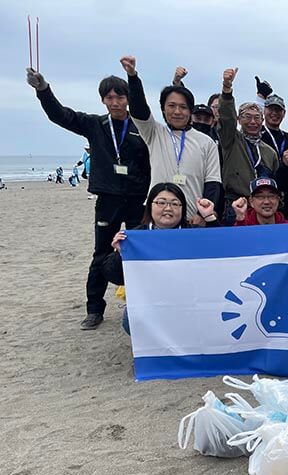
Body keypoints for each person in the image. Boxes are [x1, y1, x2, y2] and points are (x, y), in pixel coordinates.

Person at [26, 66, 150, 330]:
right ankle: (94, 309)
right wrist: (43, 90)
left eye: (120, 97)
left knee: (141, 252)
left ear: (127, 98)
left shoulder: (142, 127)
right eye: (109, 98)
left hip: (138, 199)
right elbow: (61, 116)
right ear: (103, 100)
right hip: (108, 199)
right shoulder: (95, 124)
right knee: (101, 254)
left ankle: (143, 302)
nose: (115, 102)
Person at [103, 182, 218, 334]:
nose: (168, 208)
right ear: (150, 206)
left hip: (191, 299)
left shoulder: (193, 234)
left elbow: (219, 246)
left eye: (175, 204)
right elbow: (114, 276)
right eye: (161, 203)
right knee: (130, 322)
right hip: (152, 302)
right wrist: (120, 253)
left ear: (182, 209)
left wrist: (209, 217)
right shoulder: (137, 237)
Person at [120, 55, 222, 223]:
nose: (177, 112)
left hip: (192, 217)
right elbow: (139, 109)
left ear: (190, 111)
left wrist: (202, 214)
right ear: (163, 109)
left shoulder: (206, 142)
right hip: (158, 216)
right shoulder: (154, 133)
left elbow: (213, 182)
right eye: (171, 106)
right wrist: (132, 77)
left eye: (183, 107)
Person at [217, 67, 279, 224]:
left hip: (262, 206)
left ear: (262, 121)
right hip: (236, 204)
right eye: (247, 117)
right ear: (238, 119)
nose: (253, 122)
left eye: (257, 118)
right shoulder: (231, 140)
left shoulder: (269, 152)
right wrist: (227, 89)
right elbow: (226, 118)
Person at [259, 93, 288, 161]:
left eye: (278, 110)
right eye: (271, 109)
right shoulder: (257, 134)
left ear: (284, 113)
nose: (274, 113)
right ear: (264, 111)